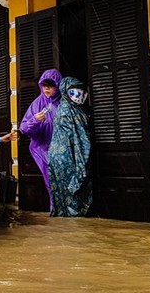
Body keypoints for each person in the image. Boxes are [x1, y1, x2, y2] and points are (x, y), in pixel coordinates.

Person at [48, 76, 92, 217]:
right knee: (72, 195)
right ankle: (74, 226)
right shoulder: (67, 111)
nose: (78, 93)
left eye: (80, 89)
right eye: (74, 89)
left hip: (59, 158)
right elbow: (80, 138)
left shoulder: (71, 109)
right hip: (67, 159)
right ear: (65, 91)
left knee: (64, 195)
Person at [19, 69, 62, 203]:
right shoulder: (37, 103)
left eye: (51, 85)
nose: (47, 88)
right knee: (51, 183)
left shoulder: (64, 103)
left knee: (66, 183)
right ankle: (56, 212)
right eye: (44, 85)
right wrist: (35, 120)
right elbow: (24, 128)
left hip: (62, 150)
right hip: (43, 149)